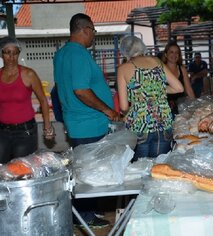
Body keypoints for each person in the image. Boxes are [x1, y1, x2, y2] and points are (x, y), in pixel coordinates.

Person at [54, 13, 119, 228]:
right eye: (93, 31)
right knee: (91, 173)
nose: (94, 36)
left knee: (83, 170)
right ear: (85, 29)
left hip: (76, 123)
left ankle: (85, 213)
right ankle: (86, 217)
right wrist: (107, 109)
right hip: (89, 123)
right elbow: (81, 90)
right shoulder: (79, 54)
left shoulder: (61, 54)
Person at [117, 35, 183, 161]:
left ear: (125, 52)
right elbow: (179, 88)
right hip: (163, 124)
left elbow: (124, 106)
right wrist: (154, 91)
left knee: (139, 171)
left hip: (140, 126)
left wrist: (142, 93)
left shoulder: (123, 69)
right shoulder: (157, 62)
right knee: (159, 168)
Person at [0, 36, 54, 164]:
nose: (11, 57)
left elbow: (43, 100)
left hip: (25, 132)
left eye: (15, 53)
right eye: (7, 52)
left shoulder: (28, 74)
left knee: (21, 170)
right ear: (2, 54)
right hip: (2, 132)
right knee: (2, 170)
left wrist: (47, 127)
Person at [161, 41, 195, 115]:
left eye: (177, 52)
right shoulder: (160, 69)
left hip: (181, 106)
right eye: (171, 52)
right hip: (163, 108)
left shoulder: (182, 69)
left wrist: (195, 105)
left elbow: (189, 90)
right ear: (166, 54)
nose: (174, 55)